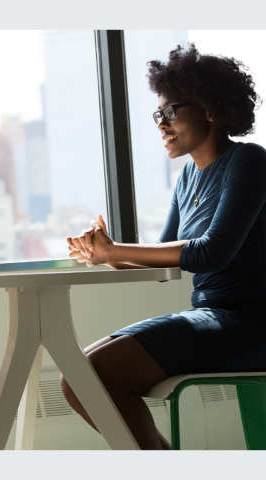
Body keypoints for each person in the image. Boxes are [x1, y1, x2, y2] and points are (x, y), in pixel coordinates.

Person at [62, 44, 266, 450]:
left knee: (95, 375)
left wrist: (115, 250)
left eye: (171, 111)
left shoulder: (249, 162)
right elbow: (162, 266)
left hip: (251, 322)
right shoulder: (187, 176)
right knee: (77, 377)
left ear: (209, 107)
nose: (161, 124)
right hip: (211, 314)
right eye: (159, 114)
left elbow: (212, 252)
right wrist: (101, 253)